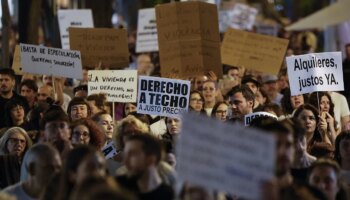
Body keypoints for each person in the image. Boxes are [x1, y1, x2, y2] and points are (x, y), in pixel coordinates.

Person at [117, 134, 174, 200]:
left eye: (132, 154)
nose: (125, 162)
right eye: (125, 155)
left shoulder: (171, 196)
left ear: (151, 159)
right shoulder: (118, 188)